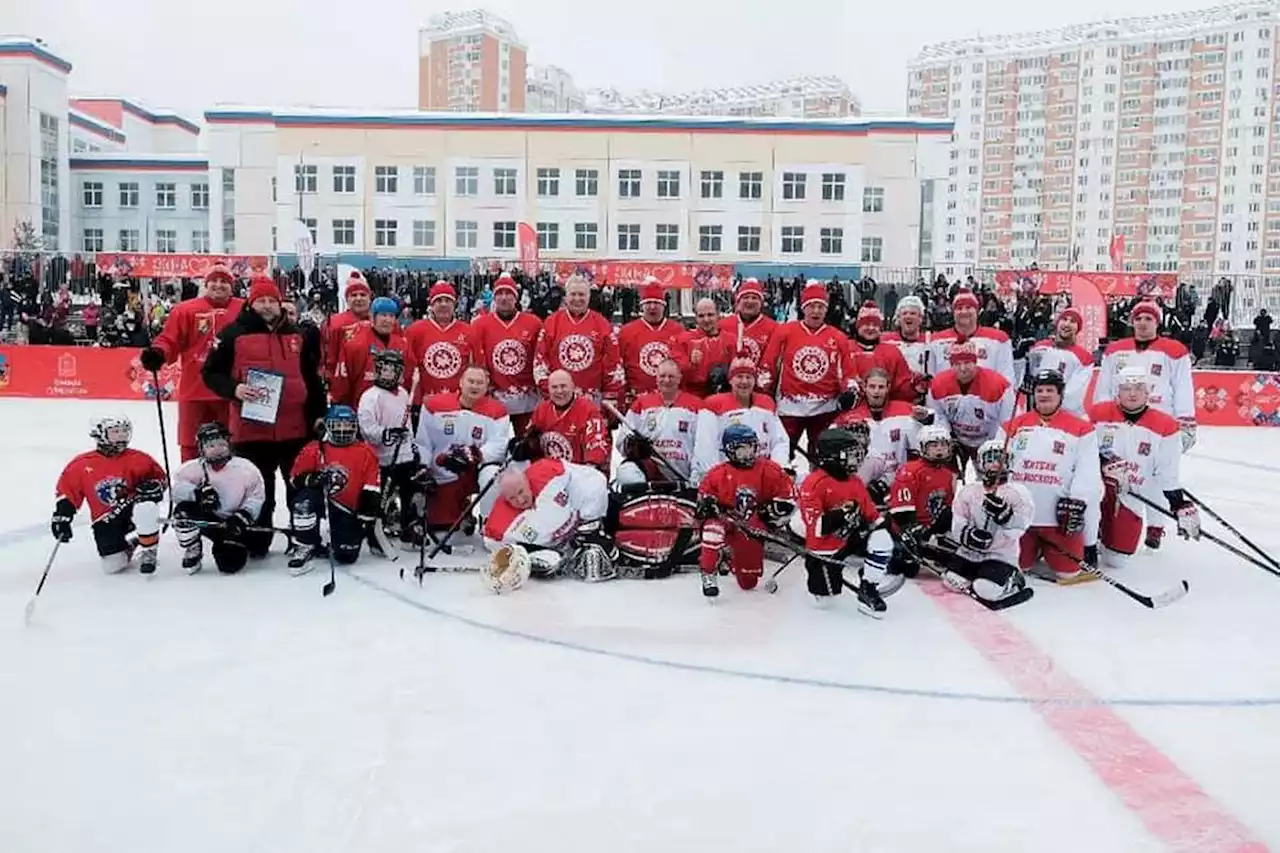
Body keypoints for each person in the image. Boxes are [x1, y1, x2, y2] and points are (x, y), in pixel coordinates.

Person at [202, 275, 327, 557]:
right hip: (251, 430)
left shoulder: (297, 335)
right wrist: (235, 389)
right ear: (251, 303)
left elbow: (313, 378)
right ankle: (259, 537)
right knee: (260, 489)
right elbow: (210, 373)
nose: (267, 306)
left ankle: (304, 536)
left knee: (299, 487)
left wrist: (319, 414)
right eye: (261, 301)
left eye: (272, 300)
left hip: (295, 428)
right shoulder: (233, 333)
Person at [1092, 300, 1196, 549]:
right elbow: (1105, 386)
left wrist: (1187, 421)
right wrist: (1103, 415)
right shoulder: (1116, 350)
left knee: (1159, 475)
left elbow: (1183, 386)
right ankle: (1113, 521)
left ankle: (1156, 525)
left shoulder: (1174, 350)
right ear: (1132, 321)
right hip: (1121, 418)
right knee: (1122, 472)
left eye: (1148, 318)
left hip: (1162, 421)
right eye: (1138, 318)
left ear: (1157, 322)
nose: (1142, 323)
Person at [1088, 367, 1200, 565]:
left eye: (1139, 387)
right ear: (1117, 391)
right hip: (1097, 488)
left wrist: (1178, 504)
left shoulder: (1166, 425)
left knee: (1116, 560)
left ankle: (1115, 535)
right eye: (1126, 388)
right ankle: (1090, 534)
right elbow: (1079, 451)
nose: (1132, 393)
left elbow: (1167, 471)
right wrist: (1103, 462)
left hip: (1132, 493)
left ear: (1148, 392)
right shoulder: (1097, 414)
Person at [1001, 369, 1103, 582]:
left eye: (1050, 390)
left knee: (1068, 571)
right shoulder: (1014, 424)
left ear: (1060, 394)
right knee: (1019, 565)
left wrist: (1077, 501)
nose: (1044, 394)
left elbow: (1088, 471)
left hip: (1057, 516)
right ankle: (1035, 547)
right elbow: (996, 459)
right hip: (1022, 516)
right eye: (1040, 390)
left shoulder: (1082, 428)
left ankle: (1051, 546)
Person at [139, 265, 244, 461]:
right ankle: (190, 483)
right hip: (195, 388)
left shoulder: (244, 309)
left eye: (224, 282)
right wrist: (158, 353)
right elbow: (170, 339)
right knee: (190, 443)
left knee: (235, 442)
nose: (219, 285)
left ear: (232, 286)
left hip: (232, 390)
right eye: (214, 280)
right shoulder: (186, 310)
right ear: (206, 284)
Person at [796, 425, 896, 616]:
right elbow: (818, 527)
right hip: (824, 548)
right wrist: (843, 513)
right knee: (825, 602)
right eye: (850, 454)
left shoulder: (855, 481)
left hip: (849, 539)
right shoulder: (813, 483)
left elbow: (873, 517)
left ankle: (868, 586)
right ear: (833, 456)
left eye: (857, 453)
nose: (857, 459)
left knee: (882, 538)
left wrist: (888, 528)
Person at [51, 416, 166, 574]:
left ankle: (149, 549)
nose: (121, 436)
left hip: (131, 512)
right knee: (113, 566)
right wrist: (62, 516)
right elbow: (68, 492)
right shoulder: (82, 464)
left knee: (145, 508)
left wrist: (154, 487)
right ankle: (134, 544)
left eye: (124, 432)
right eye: (115, 432)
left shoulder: (139, 459)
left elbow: (160, 480)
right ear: (100, 434)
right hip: (105, 520)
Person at [759, 281, 860, 459]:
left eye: (820, 306)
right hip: (789, 407)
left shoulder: (838, 337)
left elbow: (848, 372)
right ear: (803, 308)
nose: (816, 311)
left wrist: (850, 391)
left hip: (825, 408)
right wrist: (764, 392)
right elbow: (768, 364)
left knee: (824, 456)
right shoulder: (785, 332)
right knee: (781, 454)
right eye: (811, 306)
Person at [694, 424, 797, 598]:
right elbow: (702, 503)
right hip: (725, 520)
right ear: (729, 451)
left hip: (752, 524)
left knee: (748, 582)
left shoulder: (769, 470)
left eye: (751, 448)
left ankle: (729, 555)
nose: (748, 454)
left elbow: (789, 496)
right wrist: (708, 507)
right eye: (742, 450)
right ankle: (708, 572)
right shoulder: (717, 474)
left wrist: (774, 512)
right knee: (712, 528)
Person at [481, 458, 613, 590]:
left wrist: (588, 517)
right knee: (549, 561)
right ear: (505, 500)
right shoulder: (499, 525)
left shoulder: (548, 471)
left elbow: (595, 479)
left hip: (581, 522)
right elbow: (492, 541)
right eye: (512, 498)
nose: (520, 500)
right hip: (552, 548)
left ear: (526, 480)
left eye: (521, 491)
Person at [414, 365, 512, 539]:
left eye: (480, 383)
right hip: (445, 469)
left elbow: (499, 444)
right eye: (471, 381)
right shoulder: (433, 405)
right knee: (443, 528)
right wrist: (423, 466)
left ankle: (488, 522)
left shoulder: (498, 411)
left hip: (478, 468)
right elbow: (424, 441)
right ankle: (461, 512)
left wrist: (473, 456)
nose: (474, 386)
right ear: (460, 383)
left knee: (492, 476)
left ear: (487, 386)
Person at [286, 405, 382, 572]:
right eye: (338, 426)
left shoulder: (366, 452)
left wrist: (366, 513)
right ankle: (304, 545)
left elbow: (372, 486)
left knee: (346, 556)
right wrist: (313, 479)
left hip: (346, 509)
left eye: (348, 426)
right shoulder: (314, 449)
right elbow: (295, 479)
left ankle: (338, 537)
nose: (343, 431)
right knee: (304, 502)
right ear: (328, 426)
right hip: (323, 501)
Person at [942, 440, 1035, 608]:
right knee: (952, 581)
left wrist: (1005, 516)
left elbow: (1022, 525)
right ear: (980, 463)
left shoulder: (1017, 492)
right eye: (990, 459)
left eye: (1000, 459)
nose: (995, 464)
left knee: (985, 589)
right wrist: (967, 535)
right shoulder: (970, 491)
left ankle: (1014, 578)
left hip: (999, 555)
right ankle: (979, 574)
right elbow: (959, 519)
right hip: (969, 553)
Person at [170, 421, 267, 575]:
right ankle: (193, 547)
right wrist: (198, 494)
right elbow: (176, 491)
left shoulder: (246, 468)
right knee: (183, 512)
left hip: (234, 523)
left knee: (229, 564)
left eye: (221, 445)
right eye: (211, 446)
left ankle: (231, 544)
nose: (217, 450)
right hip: (210, 520)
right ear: (201, 449)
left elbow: (256, 497)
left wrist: (243, 516)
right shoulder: (191, 469)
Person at [694, 356, 790, 483]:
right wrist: (715, 478)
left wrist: (778, 470)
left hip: (762, 477)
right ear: (730, 380)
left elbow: (780, 440)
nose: (744, 382)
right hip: (729, 477)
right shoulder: (713, 405)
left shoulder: (766, 403)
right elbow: (706, 446)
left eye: (749, 377)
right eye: (739, 377)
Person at [833, 367, 921, 503]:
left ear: (888, 388)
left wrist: (925, 419)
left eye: (881, 387)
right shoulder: (849, 417)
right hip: (863, 480)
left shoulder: (906, 410)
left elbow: (927, 436)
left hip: (898, 481)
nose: (876, 391)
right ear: (864, 387)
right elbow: (829, 442)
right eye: (872, 386)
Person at [533, 275, 622, 407]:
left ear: (589, 296)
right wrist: (550, 392)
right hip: (557, 399)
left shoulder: (602, 324)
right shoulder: (552, 322)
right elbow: (540, 362)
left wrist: (611, 396)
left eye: (581, 294)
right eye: (573, 294)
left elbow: (613, 364)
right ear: (566, 297)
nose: (577, 299)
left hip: (591, 401)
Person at [357, 349, 416, 546]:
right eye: (385, 369)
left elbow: (407, 424)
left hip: (404, 456)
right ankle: (376, 533)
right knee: (381, 498)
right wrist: (386, 433)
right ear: (378, 370)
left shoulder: (403, 393)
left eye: (393, 370)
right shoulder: (370, 396)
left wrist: (410, 443)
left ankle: (407, 526)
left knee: (409, 494)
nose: (389, 373)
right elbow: (367, 428)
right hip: (382, 458)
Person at [925, 342, 1015, 473]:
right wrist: (946, 440)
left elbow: (1007, 423)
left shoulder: (999, 386)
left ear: (976, 362)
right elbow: (939, 416)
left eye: (967, 362)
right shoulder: (938, 384)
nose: (962, 368)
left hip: (989, 440)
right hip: (958, 441)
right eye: (957, 364)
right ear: (951, 364)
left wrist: (995, 448)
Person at [470, 272, 543, 434]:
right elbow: (475, 360)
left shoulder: (533, 323)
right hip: (494, 398)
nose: (504, 298)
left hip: (527, 400)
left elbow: (541, 358)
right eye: (500, 293)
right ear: (494, 298)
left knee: (526, 447)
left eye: (508, 293)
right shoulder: (480, 325)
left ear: (515, 297)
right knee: (492, 445)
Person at [616, 358, 704, 488]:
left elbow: (703, 444)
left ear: (679, 378)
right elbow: (622, 440)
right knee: (626, 473)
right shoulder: (642, 404)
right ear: (656, 378)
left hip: (684, 474)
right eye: (662, 376)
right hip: (651, 471)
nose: (667, 380)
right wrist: (633, 445)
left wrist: (696, 475)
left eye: (671, 376)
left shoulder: (696, 405)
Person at [886, 424, 958, 576]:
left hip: (930, 530)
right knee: (905, 569)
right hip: (907, 529)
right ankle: (895, 549)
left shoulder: (948, 474)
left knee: (956, 560)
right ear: (922, 448)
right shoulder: (910, 470)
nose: (939, 449)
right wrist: (912, 530)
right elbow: (901, 509)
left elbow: (947, 508)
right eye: (933, 445)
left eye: (943, 445)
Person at [405, 281, 475, 417]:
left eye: (448, 300)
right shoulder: (415, 330)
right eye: (438, 300)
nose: (443, 304)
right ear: (431, 305)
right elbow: (408, 367)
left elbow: (475, 368)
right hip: (425, 405)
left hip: (459, 405)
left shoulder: (468, 331)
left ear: (454, 304)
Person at [521, 370, 611, 471]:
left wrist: (589, 468)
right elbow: (528, 437)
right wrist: (524, 445)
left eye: (563, 386)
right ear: (548, 389)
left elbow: (597, 442)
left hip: (579, 471)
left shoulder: (587, 409)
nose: (559, 391)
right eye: (554, 387)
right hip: (549, 472)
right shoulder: (542, 409)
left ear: (573, 387)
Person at [330, 296, 410, 408]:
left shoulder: (402, 345)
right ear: (372, 317)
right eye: (383, 315)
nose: (387, 320)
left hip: (394, 410)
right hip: (362, 409)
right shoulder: (355, 345)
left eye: (391, 316)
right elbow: (342, 381)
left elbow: (408, 378)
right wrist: (339, 402)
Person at [617, 278, 687, 406]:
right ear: (642, 305)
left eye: (657, 302)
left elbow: (683, 366)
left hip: (670, 399)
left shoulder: (678, 330)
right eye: (648, 303)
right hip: (637, 400)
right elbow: (619, 366)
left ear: (664, 305)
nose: (652, 307)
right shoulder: (626, 332)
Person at [927, 289, 1015, 378]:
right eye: (959, 308)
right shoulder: (936, 341)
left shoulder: (999, 339)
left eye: (968, 307)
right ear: (953, 313)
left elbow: (1007, 378)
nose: (964, 312)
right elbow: (931, 379)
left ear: (977, 311)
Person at [1028, 307, 1094, 415]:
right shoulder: (1040, 347)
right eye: (1064, 319)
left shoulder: (1084, 358)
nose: (1067, 324)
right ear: (1058, 323)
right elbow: (1027, 378)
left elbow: (1075, 393)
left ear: (1078, 328)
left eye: (1072, 322)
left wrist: (1052, 406)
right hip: (1035, 410)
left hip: (1063, 415)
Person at [848, 301, 916, 402]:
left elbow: (902, 386)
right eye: (866, 324)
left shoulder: (892, 351)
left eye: (875, 325)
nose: (871, 328)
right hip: (850, 410)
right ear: (858, 326)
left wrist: (915, 387)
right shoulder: (845, 348)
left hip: (883, 410)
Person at [679, 297, 737, 396]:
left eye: (710, 315)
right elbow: (677, 375)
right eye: (701, 316)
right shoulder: (684, 340)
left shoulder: (731, 340)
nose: (706, 319)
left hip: (724, 396)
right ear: (695, 317)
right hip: (693, 397)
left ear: (718, 315)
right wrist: (690, 364)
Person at [322, 272, 373, 380]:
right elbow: (328, 355)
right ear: (347, 299)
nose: (359, 298)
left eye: (363, 295)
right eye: (354, 295)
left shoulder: (378, 322)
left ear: (370, 298)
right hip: (342, 379)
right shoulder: (335, 323)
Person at [881, 295, 932, 403]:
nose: (908, 316)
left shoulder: (930, 340)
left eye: (913, 313)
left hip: (922, 400)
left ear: (920, 318)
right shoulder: (886, 340)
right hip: (893, 399)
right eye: (904, 313)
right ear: (898, 318)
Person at [718, 277, 777, 368]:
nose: (750, 301)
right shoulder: (723, 325)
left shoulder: (773, 328)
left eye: (754, 298)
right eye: (746, 297)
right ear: (738, 302)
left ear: (761, 303)